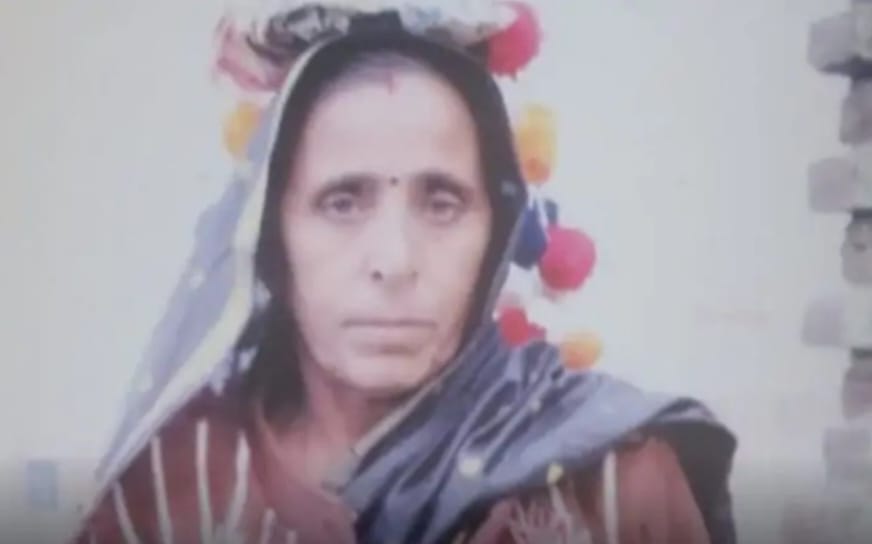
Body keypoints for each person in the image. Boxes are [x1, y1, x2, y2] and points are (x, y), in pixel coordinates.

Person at [70, 3, 737, 543]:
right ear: (271, 235)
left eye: (442, 203)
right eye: (342, 201)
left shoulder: (612, 479)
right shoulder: (177, 483)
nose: (393, 260)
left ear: (497, 234)